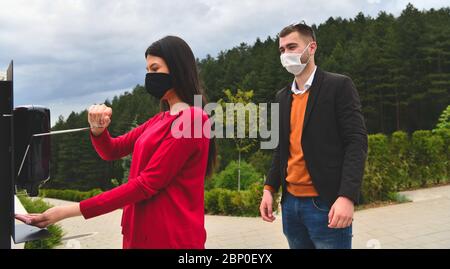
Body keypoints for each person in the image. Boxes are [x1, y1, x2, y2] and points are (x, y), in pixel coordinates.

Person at [15, 36, 217, 249]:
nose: (150, 76)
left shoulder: (193, 119)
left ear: (177, 69)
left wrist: (67, 211)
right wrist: (98, 131)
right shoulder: (160, 120)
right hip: (138, 233)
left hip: (170, 238)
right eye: (147, 70)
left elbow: (146, 184)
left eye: (155, 69)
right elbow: (113, 150)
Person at [259, 22, 368, 249]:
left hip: (325, 205)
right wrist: (269, 189)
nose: (286, 54)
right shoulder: (282, 97)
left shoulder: (339, 86)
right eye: (282, 50)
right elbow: (282, 149)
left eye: (292, 47)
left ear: (312, 48)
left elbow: (356, 143)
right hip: (290, 207)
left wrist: (347, 196)